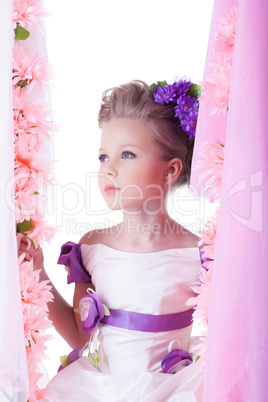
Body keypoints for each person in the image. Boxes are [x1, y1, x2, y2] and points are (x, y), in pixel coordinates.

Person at [19, 78, 206, 401]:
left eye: (128, 155)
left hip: (173, 392)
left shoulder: (198, 254)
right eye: (104, 157)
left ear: (170, 170)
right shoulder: (92, 247)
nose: (110, 169)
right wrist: (39, 273)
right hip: (101, 392)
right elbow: (80, 337)